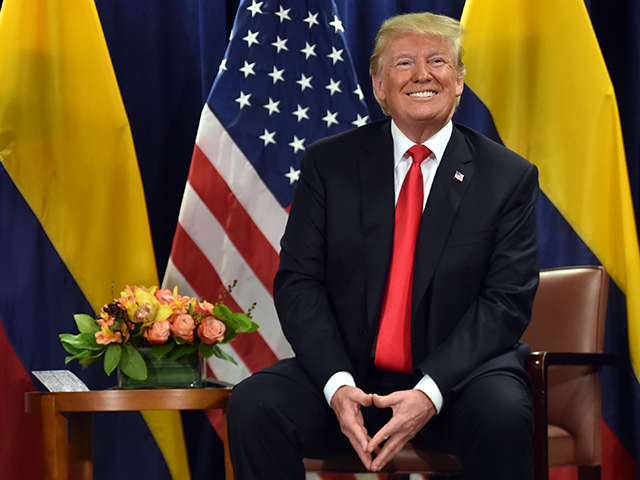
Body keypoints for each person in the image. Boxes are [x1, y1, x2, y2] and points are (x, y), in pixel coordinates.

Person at [227, 11, 539, 480]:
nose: (422, 74)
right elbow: (299, 284)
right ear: (378, 86)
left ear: (457, 82)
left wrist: (429, 391)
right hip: (353, 380)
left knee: (504, 414)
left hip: (457, 385)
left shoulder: (507, 177)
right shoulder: (328, 164)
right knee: (255, 406)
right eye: (403, 63)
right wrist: (337, 385)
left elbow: (506, 300)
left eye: (437, 61)